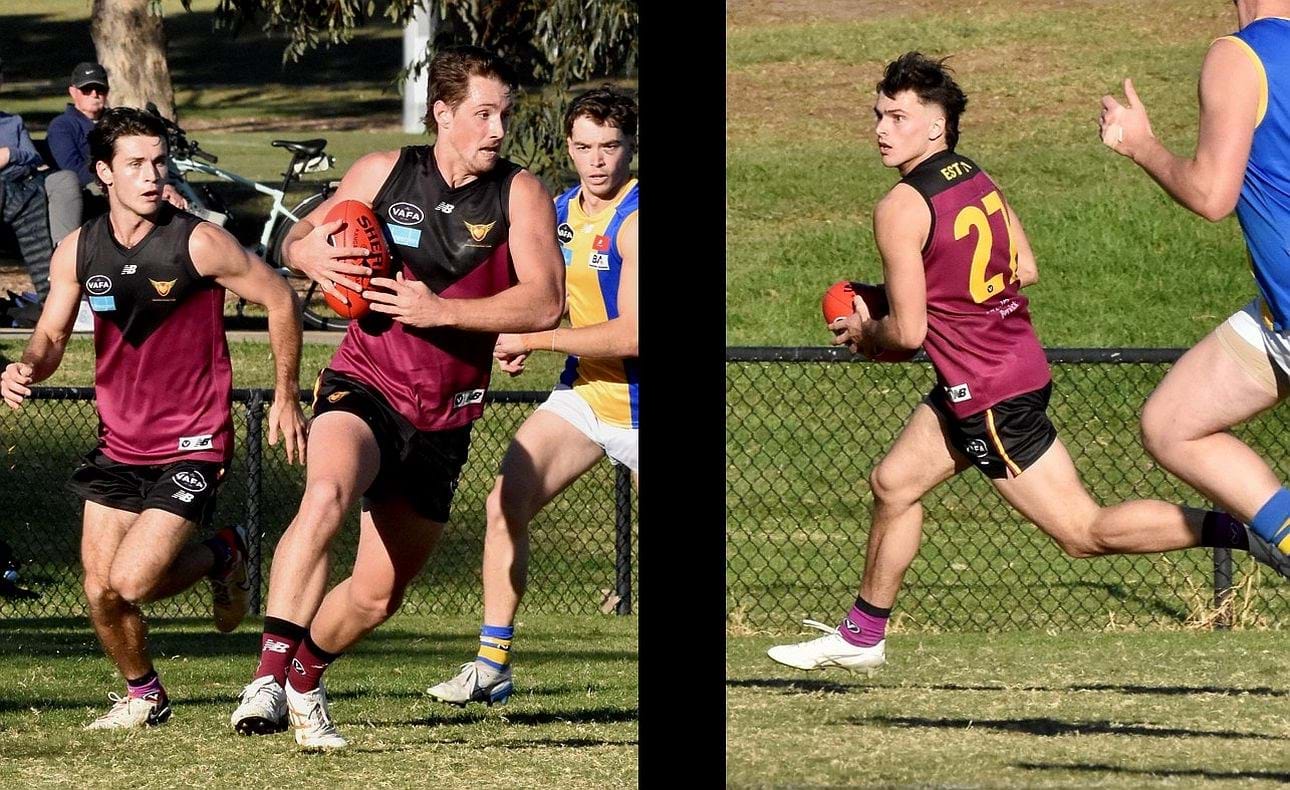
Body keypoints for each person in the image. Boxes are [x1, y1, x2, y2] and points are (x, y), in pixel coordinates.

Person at [766, 52, 1290, 675]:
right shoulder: (975, 178)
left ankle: (1247, 531)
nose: (882, 128)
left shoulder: (900, 207)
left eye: (898, 116)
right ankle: (863, 635)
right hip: (1005, 368)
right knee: (894, 484)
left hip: (986, 393)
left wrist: (865, 330)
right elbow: (1025, 268)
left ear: (936, 126)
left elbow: (907, 335)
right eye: (879, 114)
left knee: (1081, 532)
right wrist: (928, 298)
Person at [228, 44, 564, 750]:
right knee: (325, 493)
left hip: (445, 417)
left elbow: (545, 301)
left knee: (380, 594)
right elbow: (300, 238)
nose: (498, 130)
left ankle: (305, 677)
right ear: (443, 114)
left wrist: (440, 311)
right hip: (365, 381)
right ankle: (266, 674)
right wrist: (305, 254)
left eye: (505, 114)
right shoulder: (384, 172)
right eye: (484, 115)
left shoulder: (519, 193)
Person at [0, 107, 307, 728]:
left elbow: (279, 297)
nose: (151, 174)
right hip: (119, 443)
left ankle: (224, 552)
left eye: (159, 161)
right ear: (104, 172)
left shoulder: (198, 241)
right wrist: (27, 365)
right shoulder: (78, 249)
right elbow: (53, 335)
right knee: (99, 593)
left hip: (193, 440)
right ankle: (146, 694)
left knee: (131, 584)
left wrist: (285, 393)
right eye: (135, 163)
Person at [426, 86, 638, 707]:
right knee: (503, 503)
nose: (597, 159)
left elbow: (634, 331)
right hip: (588, 396)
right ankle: (492, 665)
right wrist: (519, 334)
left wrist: (539, 340)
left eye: (610, 146)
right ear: (568, 147)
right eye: (584, 146)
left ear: (629, 147)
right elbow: (539, 297)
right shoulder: (562, 210)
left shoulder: (638, 215)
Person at [1099, 0, 1290, 563]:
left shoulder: (1240, 56)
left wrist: (1141, 144)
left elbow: (1211, 194)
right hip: (1279, 316)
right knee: (1172, 422)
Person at [45, 62, 185, 248]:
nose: (94, 94)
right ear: (73, 92)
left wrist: (166, 184)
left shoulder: (120, 122)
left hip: (134, 177)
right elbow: (72, 168)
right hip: (94, 185)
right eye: (87, 89)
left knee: (173, 195)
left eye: (100, 89)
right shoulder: (62, 125)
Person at [0, 58, 54, 307]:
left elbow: (33, 157)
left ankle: (51, 302)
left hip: (20, 190)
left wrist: (10, 154)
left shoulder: (13, 122)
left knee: (32, 200)